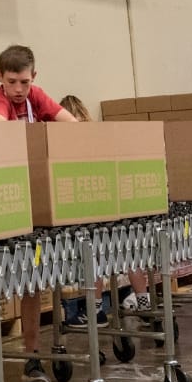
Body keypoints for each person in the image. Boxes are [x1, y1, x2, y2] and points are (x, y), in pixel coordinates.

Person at [0, 45, 76, 382]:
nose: (18, 89)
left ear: (34, 78)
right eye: (12, 82)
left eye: (24, 82)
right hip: (5, 206)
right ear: (0, 78)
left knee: (32, 286)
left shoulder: (35, 97)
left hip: (36, 206)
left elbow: (72, 125)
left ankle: (32, 358)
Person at [57, 95, 152, 327]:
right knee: (129, 253)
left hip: (90, 214)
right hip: (116, 210)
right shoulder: (100, 140)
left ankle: (95, 309)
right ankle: (144, 302)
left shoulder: (67, 147)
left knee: (93, 259)